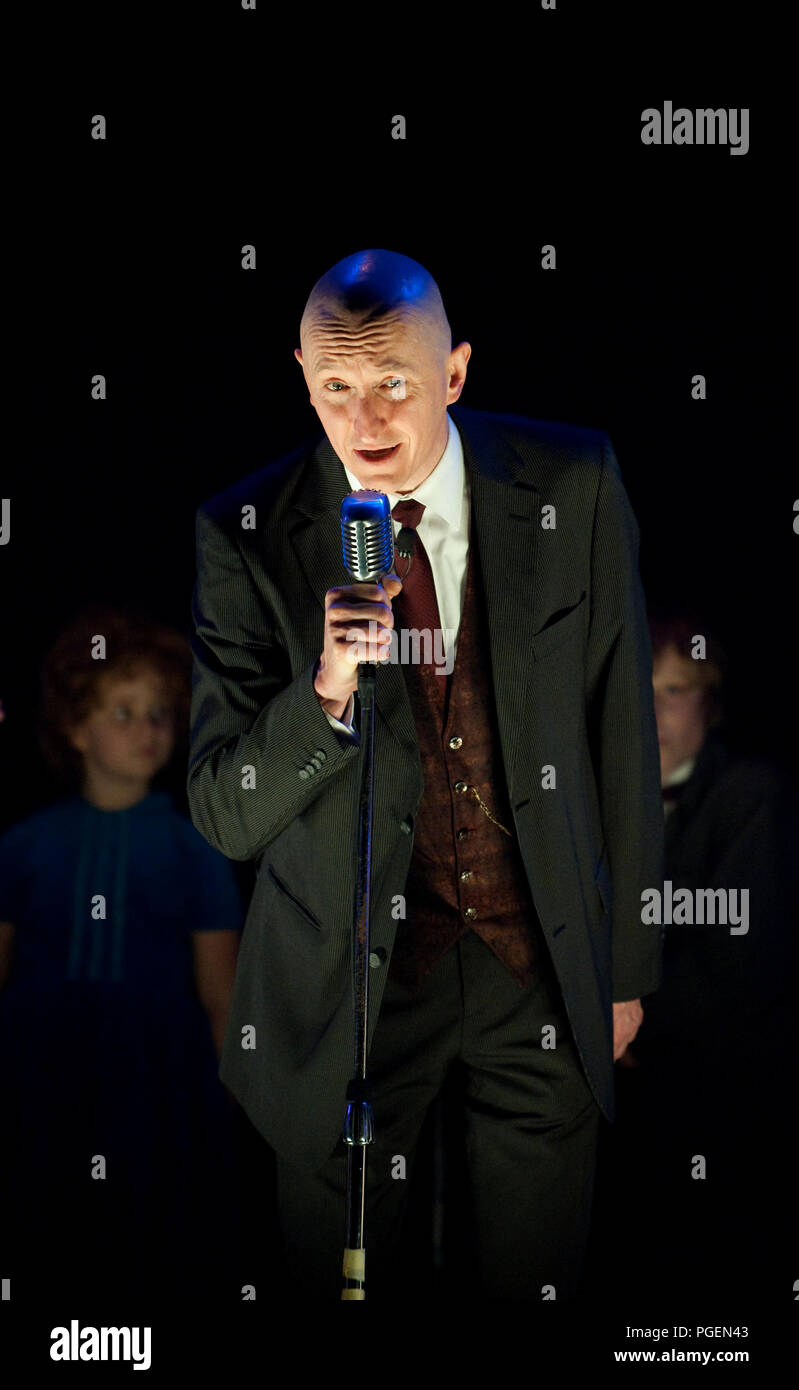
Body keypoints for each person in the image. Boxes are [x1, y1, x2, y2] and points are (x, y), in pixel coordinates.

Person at [187, 248, 664, 1302]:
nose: (365, 417)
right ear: (303, 379)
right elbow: (225, 812)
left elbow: (618, 732)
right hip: (344, 994)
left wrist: (622, 968)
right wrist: (324, 689)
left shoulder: (573, 483)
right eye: (335, 386)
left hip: (535, 959)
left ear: (452, 373)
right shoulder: (245, 536)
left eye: (394, 381)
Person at [0, 607, 244, 1307]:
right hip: (40, 1070)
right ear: (75, 726)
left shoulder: (195, 849)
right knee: (42, 1224)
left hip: (155, 1075)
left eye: (161, 712)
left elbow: (219, 992)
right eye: (124, 711)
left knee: (149, 1234)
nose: (148, 729)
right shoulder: (23, 846)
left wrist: (229, 1100)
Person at [603, 614, 799, 1305]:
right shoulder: (593, 804)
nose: (653, 709)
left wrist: (626, 1020)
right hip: (612, 1109)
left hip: (717, 1100)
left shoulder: (749, 797)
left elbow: (743, 963)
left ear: (710, 705)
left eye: (675, 689)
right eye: (641, 689)